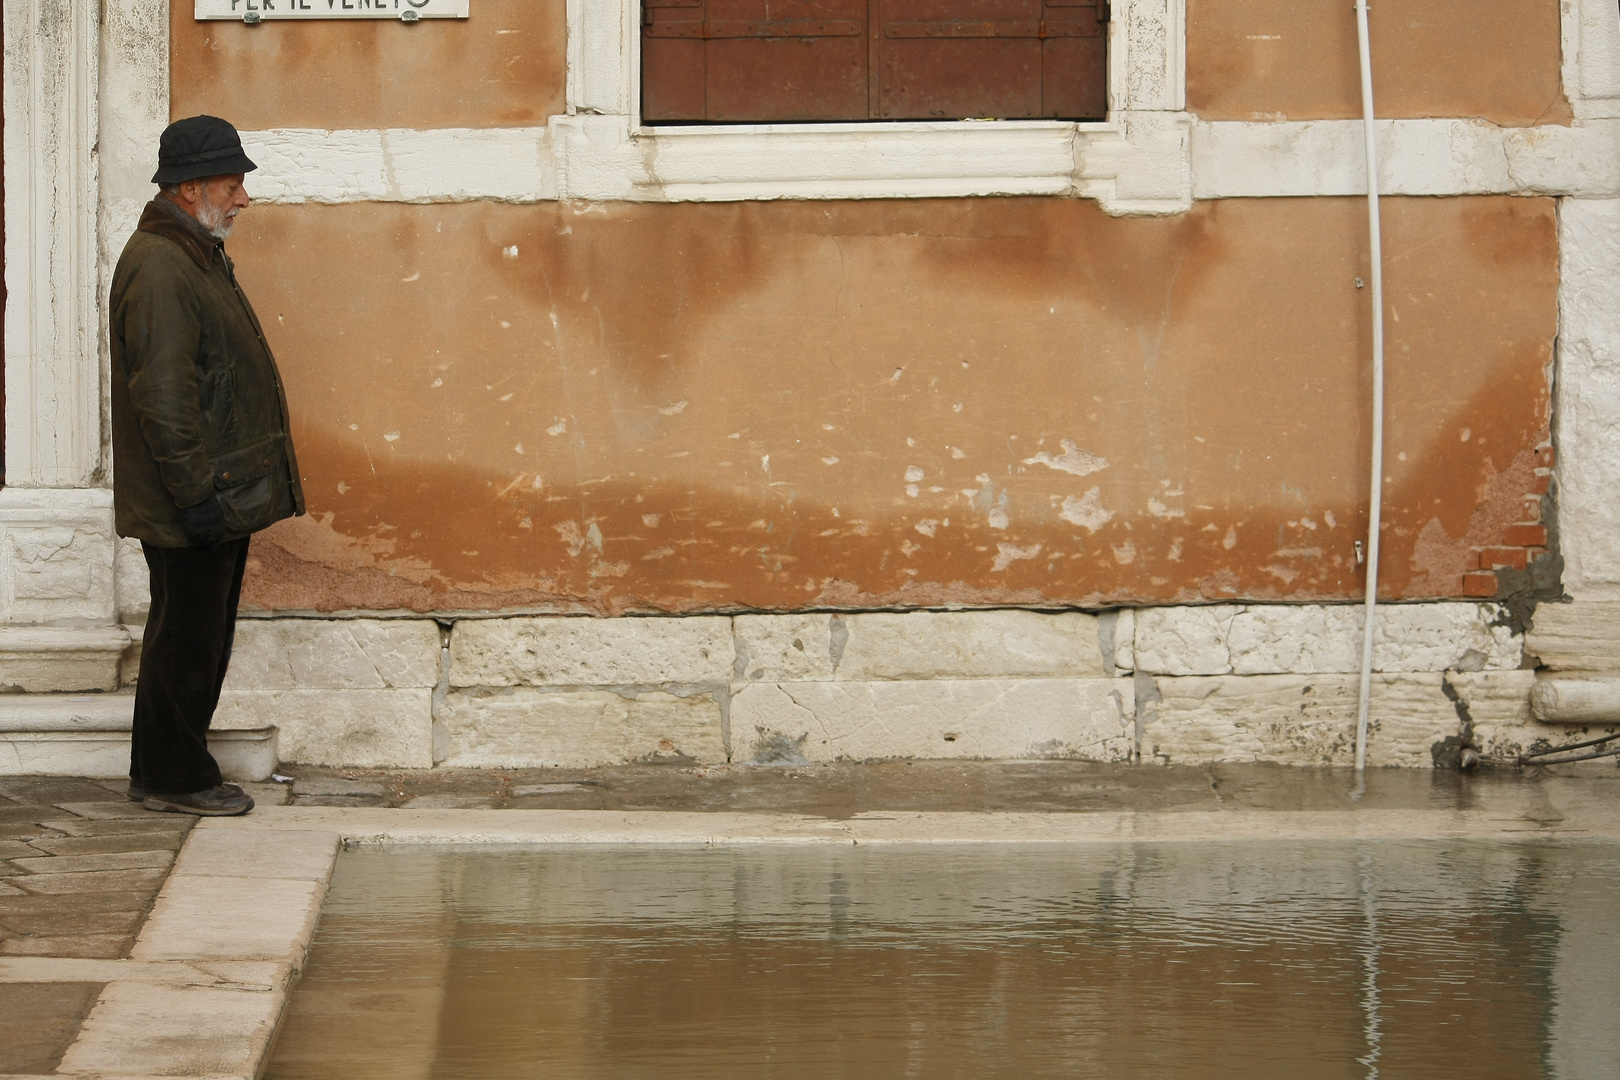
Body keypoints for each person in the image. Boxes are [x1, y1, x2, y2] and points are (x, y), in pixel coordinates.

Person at [109, 115, 305, 816]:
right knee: (186, 641)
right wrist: (195, 496)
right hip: (197, 496)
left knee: (194, 635)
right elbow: (164, 395)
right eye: (233, 183)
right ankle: (171, 776)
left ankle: (169, 767)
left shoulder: (191, 252)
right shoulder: (164, 264)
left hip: (213, 493)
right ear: (189, 188)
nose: (244, 198)